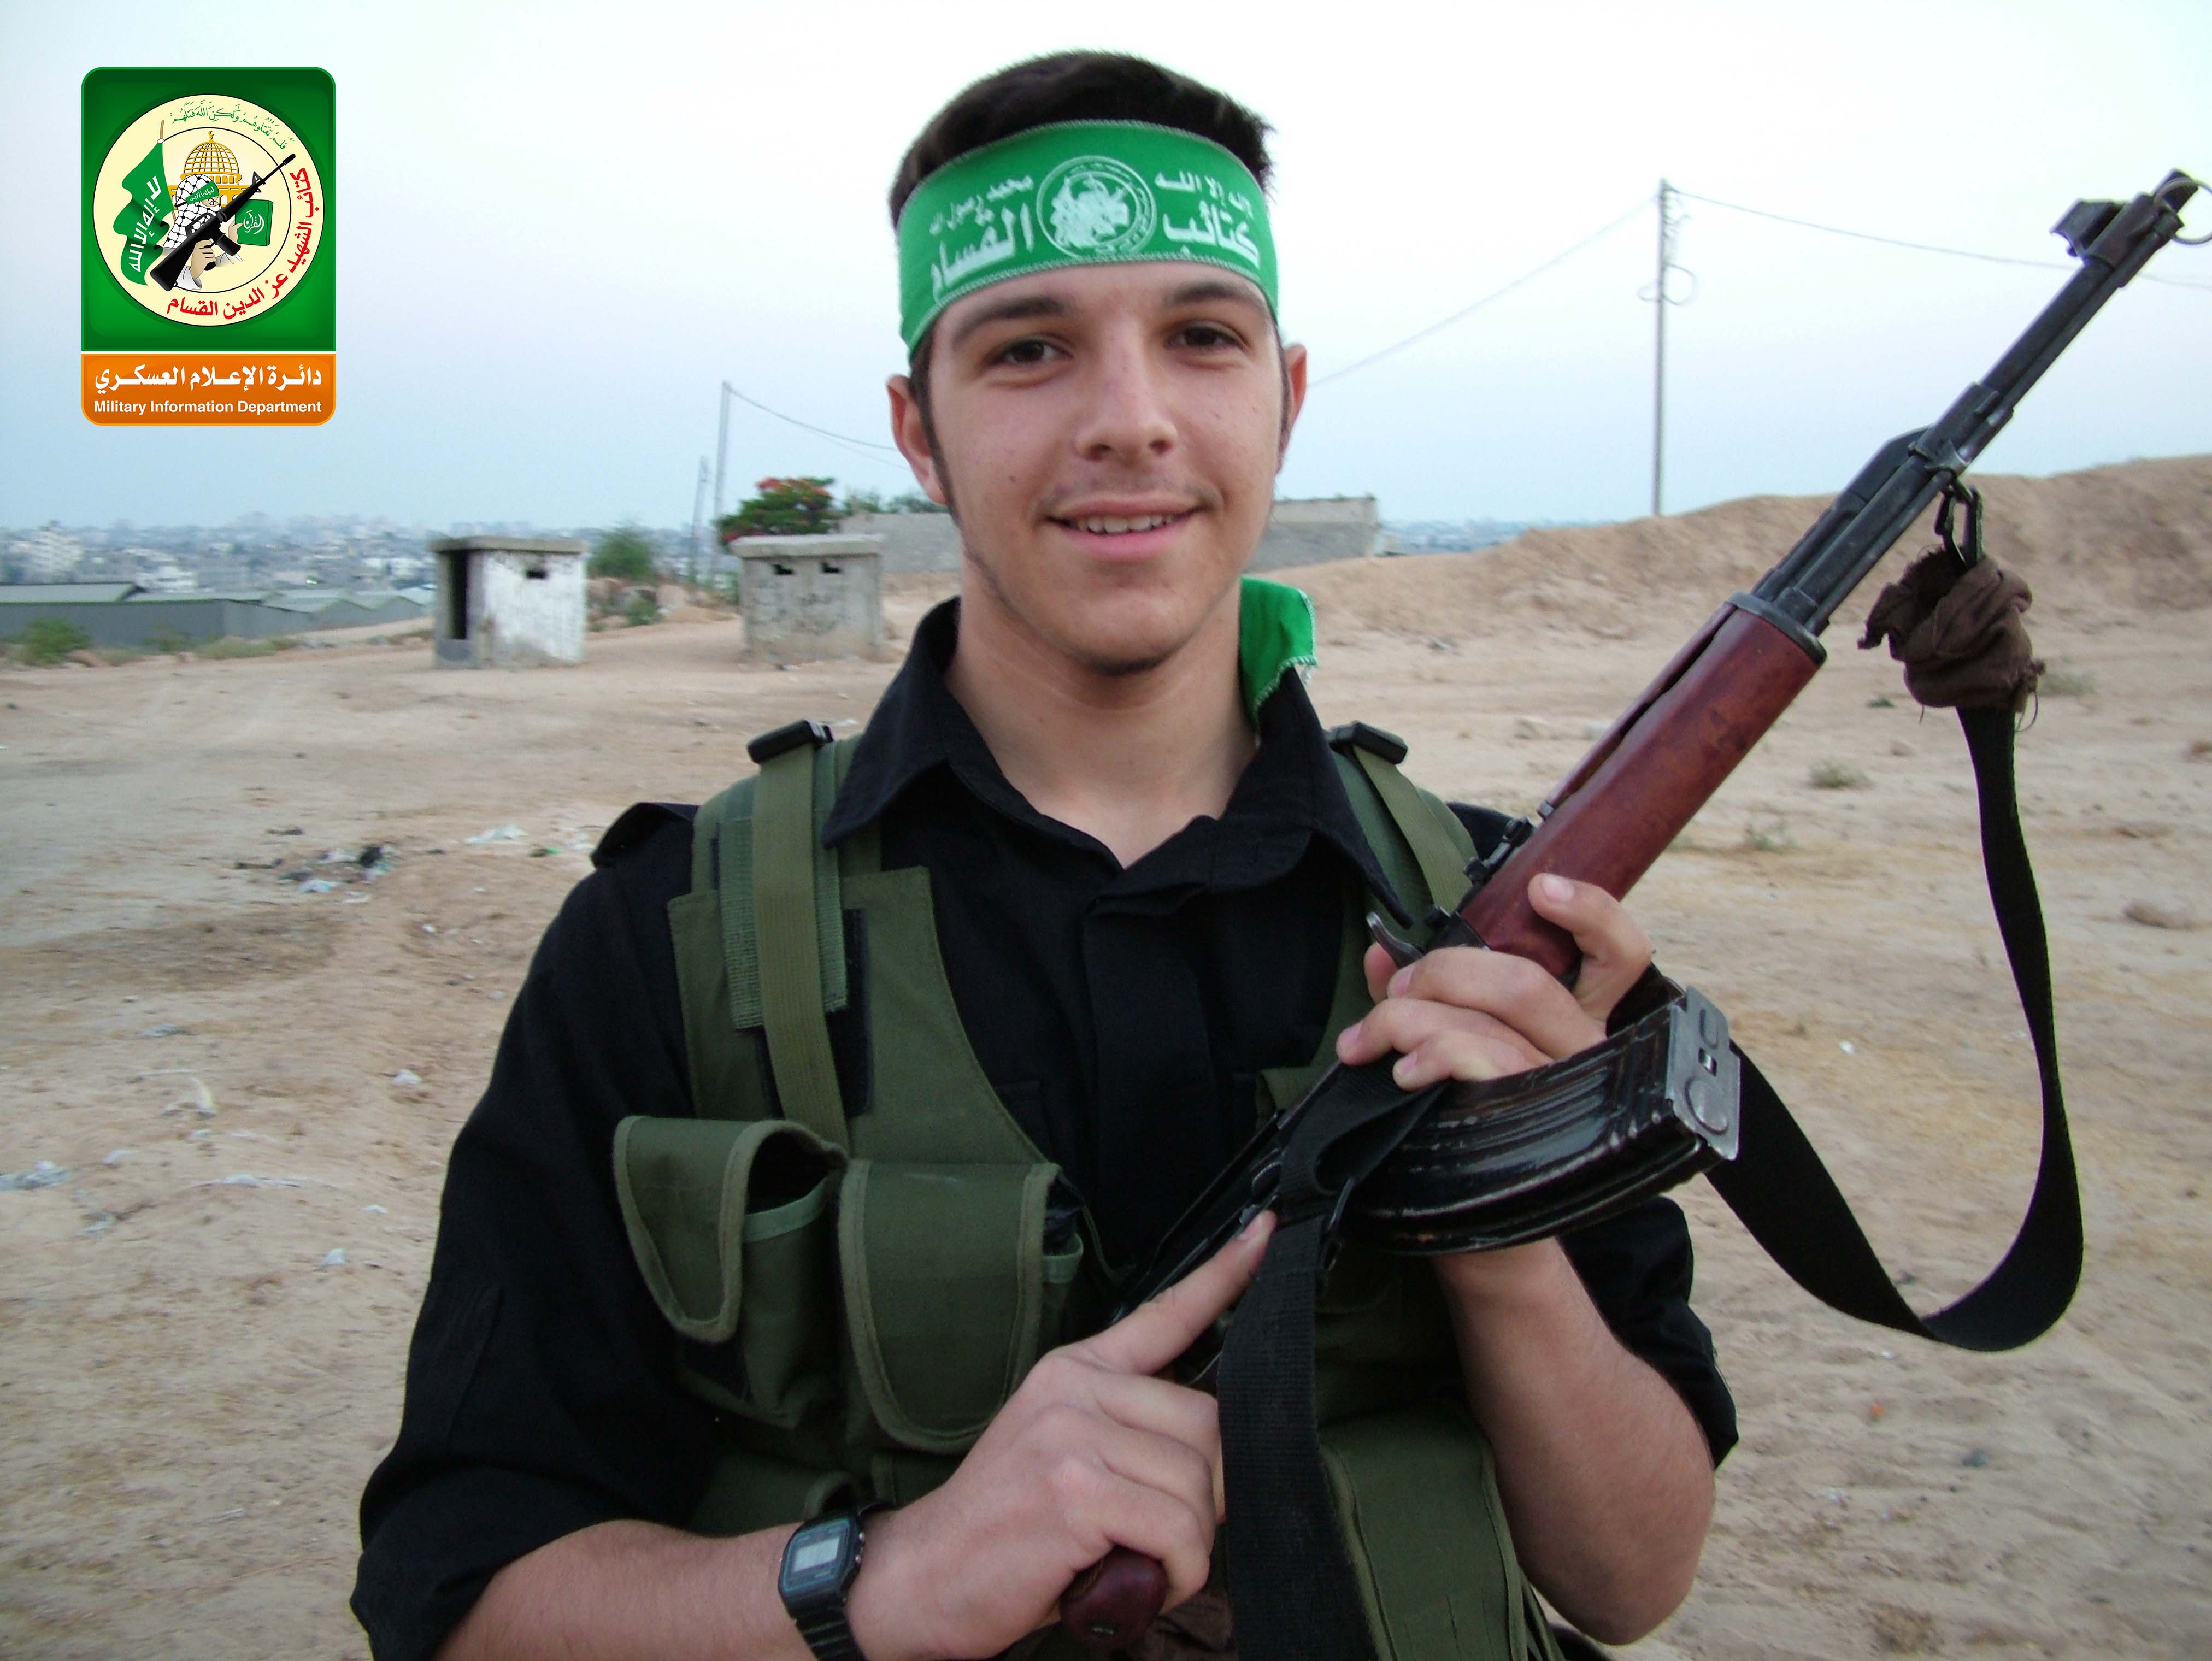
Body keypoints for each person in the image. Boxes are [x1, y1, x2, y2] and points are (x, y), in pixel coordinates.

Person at [353, 51, 1733, 1661]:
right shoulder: (666, 938)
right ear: (919, 432)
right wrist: (884, 1579)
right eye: (1028, 350)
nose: (1131, 421)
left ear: (1285, 398)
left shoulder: (1488, 927)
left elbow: (1633, 1578)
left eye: (1202, 338)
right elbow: (463, 1601)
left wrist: (1503, 1241)